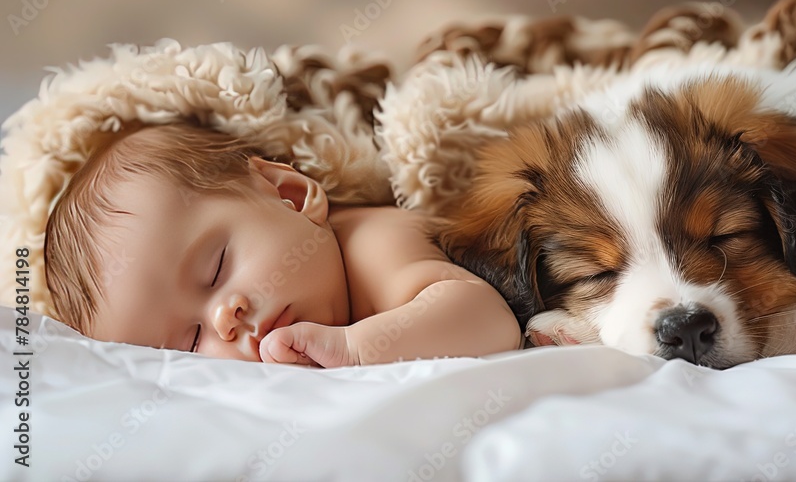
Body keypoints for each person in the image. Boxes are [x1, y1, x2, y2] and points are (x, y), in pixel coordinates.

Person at [43, 123, 523, 367]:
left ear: (290, 196)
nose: (224, 320)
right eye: (190, 343)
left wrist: (356, 349)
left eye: (215, 269)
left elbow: (487, 317)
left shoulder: (370, 246)